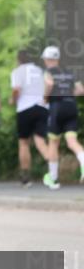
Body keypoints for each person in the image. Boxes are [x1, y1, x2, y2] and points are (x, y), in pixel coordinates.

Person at [41, 46, 84, 190]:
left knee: (53, 143)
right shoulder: (69, 72)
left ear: (47, 59)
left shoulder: (49, 71)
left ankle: (53, 178)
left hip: (57, 107)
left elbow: (49, 84)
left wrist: (45, 98)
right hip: (71, 106)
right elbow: (81, 90)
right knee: (72, 141)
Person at [11, 50, 49, 187]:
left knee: (24, 143)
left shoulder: (17, 71)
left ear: (19, 59)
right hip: (42, 107)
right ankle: (53, 168)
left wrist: (13, 100)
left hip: (25, 108)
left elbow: (17, 89)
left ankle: (25, 175)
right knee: (40, 141)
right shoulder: (41, 70)